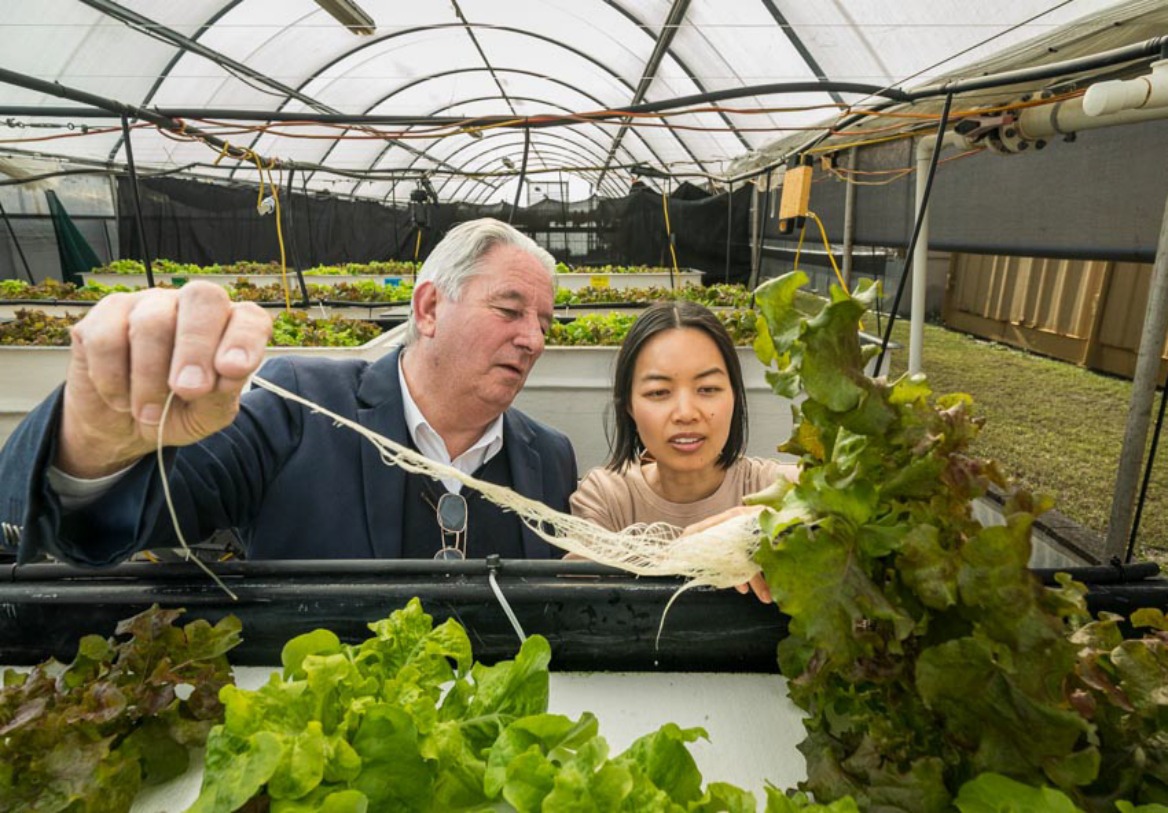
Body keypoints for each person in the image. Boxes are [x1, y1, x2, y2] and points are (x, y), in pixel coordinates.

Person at [0, 218, 577, 564]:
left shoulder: (548, 456)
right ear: (429, 308)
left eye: (546, 324)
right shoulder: (299, 407)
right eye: (509, 310)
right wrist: (95, 442)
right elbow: (129, 521)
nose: (532, 339)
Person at [569, 300, 797, 600]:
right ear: (629, 405)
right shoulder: (607, 498)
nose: (686, 413)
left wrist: (770, 522)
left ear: (735, 397)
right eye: (659, 393)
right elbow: (577, 608)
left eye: (708, 389)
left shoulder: (778, 488)